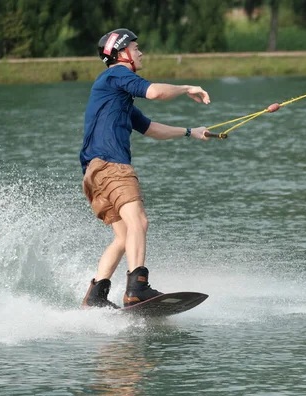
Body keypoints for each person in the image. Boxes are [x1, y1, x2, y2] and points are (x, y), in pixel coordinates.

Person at [80, 28, 212, 309]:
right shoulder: (117, 74)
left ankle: (96, 297)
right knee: (139, 222)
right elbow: (153, 92)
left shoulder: (117, 95)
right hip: (112, 166)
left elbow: (151, 128)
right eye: (136, 48)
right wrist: (188, 88)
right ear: (121, 54)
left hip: (94, 174)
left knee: (125, 236)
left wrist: (191, 132)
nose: (141, 53)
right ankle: (137, 288)